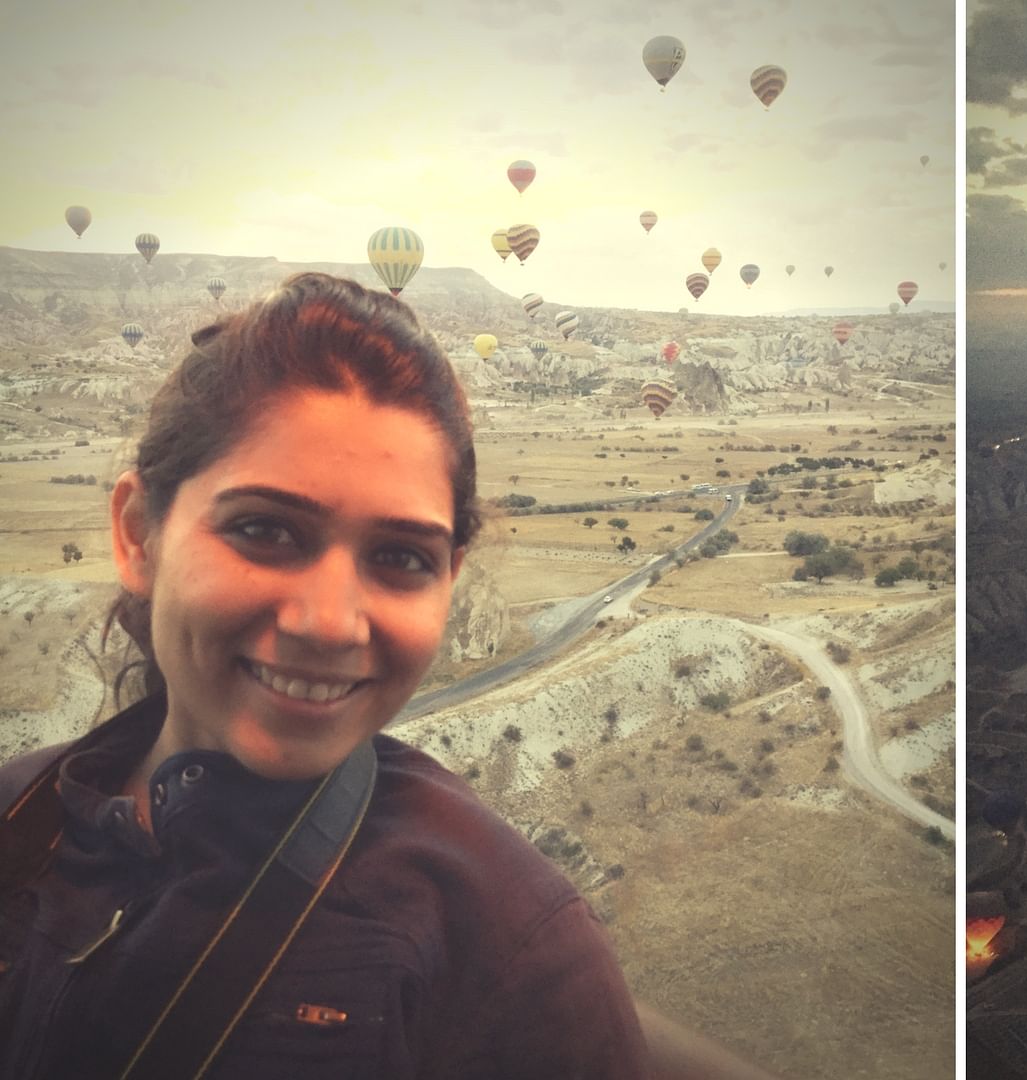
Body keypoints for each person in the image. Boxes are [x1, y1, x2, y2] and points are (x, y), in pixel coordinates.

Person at [0, 273, 779, 1079]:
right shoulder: (18, 818)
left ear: (451, 575)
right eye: (266, 530)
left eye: (402, 557)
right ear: (138, 536)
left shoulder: (504, 941)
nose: (331, 621)